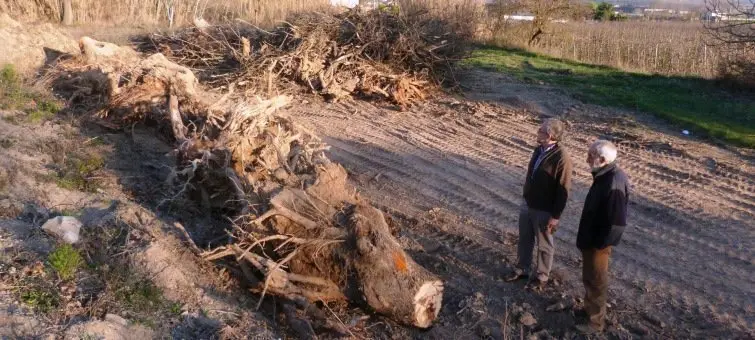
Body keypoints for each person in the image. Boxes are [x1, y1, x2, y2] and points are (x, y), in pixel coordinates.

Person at [505, 119, 573, 289]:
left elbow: (563, 189)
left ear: (549, 135)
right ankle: (522, 269)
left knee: (544, 244)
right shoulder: (539, 150)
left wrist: (555, 216)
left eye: (541, 130)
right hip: (528, 203)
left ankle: (541, 276)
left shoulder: (562, 158)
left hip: (544, 209)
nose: (538, 131)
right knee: (525, 239)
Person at [575, 140, 630, 334]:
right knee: (589, 277)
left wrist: (601, 244)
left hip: (598, 244)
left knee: (597, 281)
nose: (587, 158)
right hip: (592, 239)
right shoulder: (604, 175)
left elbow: (617, 222)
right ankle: (588, 310)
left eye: (590, 156)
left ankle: (595, 324)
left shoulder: (613, 181)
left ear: (603, 159)